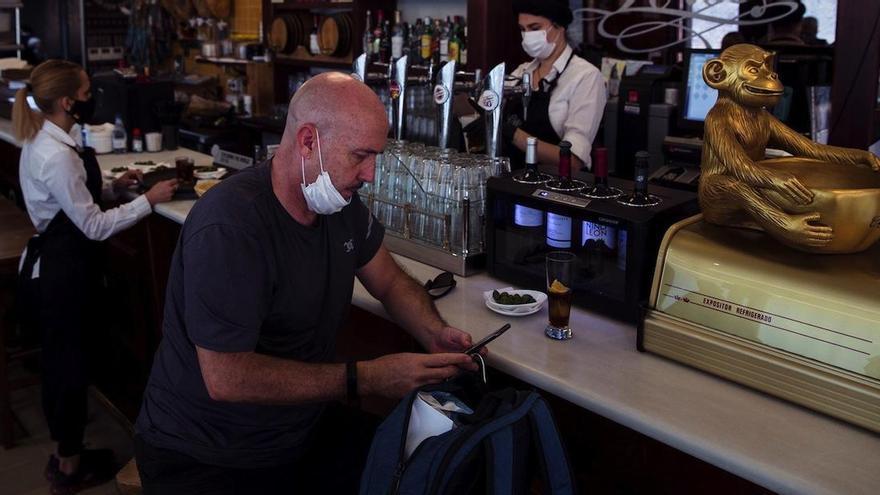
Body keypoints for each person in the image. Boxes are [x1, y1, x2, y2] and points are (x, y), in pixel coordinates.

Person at [133, 72, 480, 494]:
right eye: (359, 156)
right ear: (308, 141)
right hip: (207, 453)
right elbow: (227, 377)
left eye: (377, 157)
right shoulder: (231, 226)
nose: (370, 174)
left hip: (298, 428)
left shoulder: (339, 203)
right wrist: (366, 378)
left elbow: (389, 281)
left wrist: (434, 332)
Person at [12, 59, 177, 494]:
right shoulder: (54, 154)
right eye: (87, 92)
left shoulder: (49, 141)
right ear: (68, 101)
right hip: (63, 272)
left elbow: (76, 200)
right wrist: (149, 200)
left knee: (68, 360)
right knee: (67, 367)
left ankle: (69, 455)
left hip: (63, 264)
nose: (92, 98)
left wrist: (115, 186)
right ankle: (68, 469)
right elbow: (94, 226)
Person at [503, 0, 606, 171]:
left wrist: (513, 134)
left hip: (555, 188)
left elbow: (572, 160)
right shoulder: (521, 72)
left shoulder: (585, 77)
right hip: (512, 180)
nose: (527, 36)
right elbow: (483, 107)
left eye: (535, 28)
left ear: (560, 26)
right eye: (523, 29)